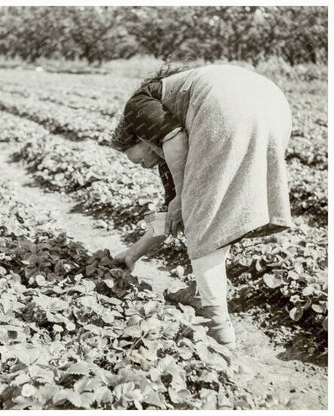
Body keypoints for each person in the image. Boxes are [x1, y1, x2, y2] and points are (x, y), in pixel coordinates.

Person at [111, 63, 293, 350]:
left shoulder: (136, 107)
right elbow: (170, 218)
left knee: (202, 218)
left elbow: (174, 140)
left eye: (140, 159)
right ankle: (201, 293)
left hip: (226, 109)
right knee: (216, 211)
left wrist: (184, 197)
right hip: (274, 108)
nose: (146, 165)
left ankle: (216, 322)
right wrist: (132, 254)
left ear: (140, 135)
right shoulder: (171, 151)